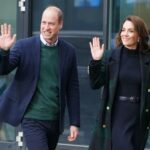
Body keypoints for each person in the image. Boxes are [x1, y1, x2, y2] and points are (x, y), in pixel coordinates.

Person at [0, 5, 80, 150]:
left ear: (60, 25)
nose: (46, 27)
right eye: (43, 22)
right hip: (32, 118)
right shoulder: (24, 46)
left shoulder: (69, 52)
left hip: (55, 121)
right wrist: (4, 52)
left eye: (51, 23)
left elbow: (72, 88)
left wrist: (74, 122)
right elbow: (3, 70)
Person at [88, 15, 150, 150]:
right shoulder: (111, 56)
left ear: (139, 35)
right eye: (123, 30)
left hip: (138, 115)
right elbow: (95, 84)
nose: (125, 34)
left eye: (130, 31)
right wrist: (96, 61)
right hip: (116, 114)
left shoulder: (147, 59)